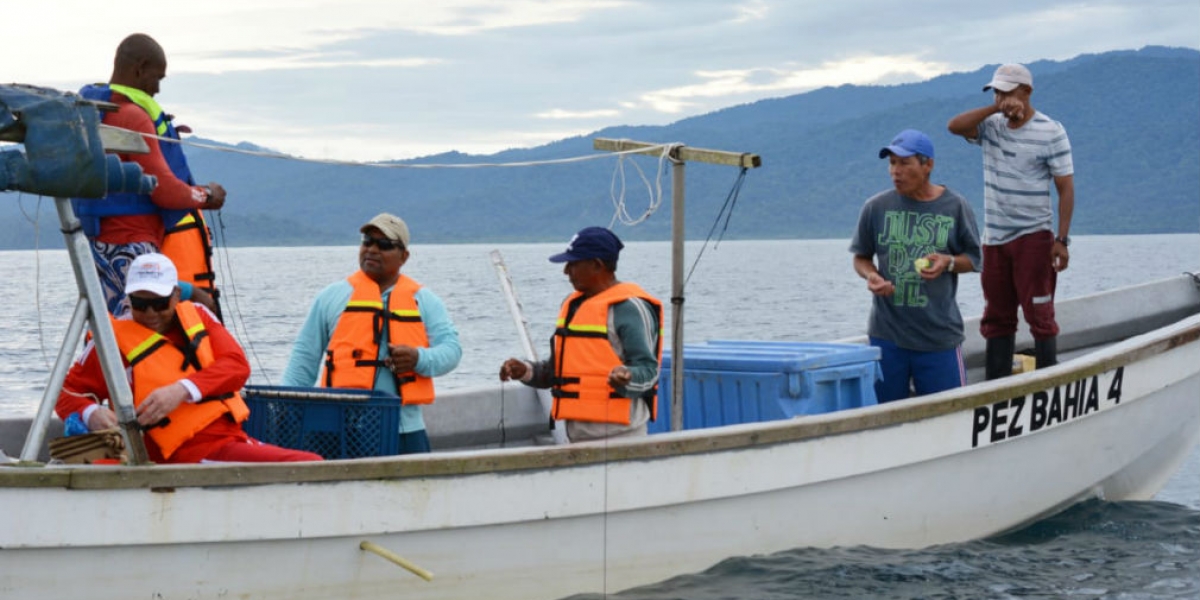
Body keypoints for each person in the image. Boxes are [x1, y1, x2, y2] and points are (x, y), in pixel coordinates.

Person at [55, 254, 321, 463]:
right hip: (184, 455)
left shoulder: (199, 316)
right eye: (139, 303)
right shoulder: (111, 340)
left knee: (314, 465)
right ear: (128, 299)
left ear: (176, 295)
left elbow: (237, 366)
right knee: (312, 464)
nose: (150, 313)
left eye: (159, 304)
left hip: (228, 441)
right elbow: (64, 393)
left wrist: (181, 390)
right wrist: (91, 413)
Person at [72, 33, 227, 318]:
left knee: (118, 327)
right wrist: (207, 195)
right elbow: (164, 190)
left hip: (97, 246)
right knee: (146, 327)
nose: (156, 90)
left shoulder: (91, 112)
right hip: (132, 240)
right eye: (157, 78)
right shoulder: (134, 117)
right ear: (140, 67)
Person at [281, 213, 462, 454]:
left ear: (404, 256)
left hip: (402, 429)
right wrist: (285, 411)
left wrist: (419, 358)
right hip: (334, 429)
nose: (372, 249)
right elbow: (304, 358)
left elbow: (452, 350)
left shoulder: (425, 300)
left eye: (384, 245)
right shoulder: (330, 297)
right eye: (367, 242)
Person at [947, 63, 1075, 378]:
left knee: (1039, 311)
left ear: (1027, 92)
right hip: (995, 240)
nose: (1002, 98)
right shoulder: (991, 126)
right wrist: (995, 108)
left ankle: (1048, 378)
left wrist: (1061, 240)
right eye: (997, 92)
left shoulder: (1051, 131)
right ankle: (997, 382)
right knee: (997, 314)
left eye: (1008, 91)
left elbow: (1066, 188)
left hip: (1034, 236)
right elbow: (954, 126)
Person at [849, 130, 982, 403]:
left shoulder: (955, 206)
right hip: (887, 338)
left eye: (904, 163)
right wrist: (872, 276)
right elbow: (860, 257)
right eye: (892, 163)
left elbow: (976, 259)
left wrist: (948, 262)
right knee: (883, 420)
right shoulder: (876, 207)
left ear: (928, 165)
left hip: (938, 338)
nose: (895, 172)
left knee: (949, 417)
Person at [499, 226, 663, 442]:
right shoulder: (572, 306)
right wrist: (525, 370)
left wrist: (627, 378)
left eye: (573, 264)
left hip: (622, 438)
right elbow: (553, 372)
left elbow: (649, 372)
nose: (566, 271)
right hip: (575, 438)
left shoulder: (630, 309)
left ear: (597, 265)